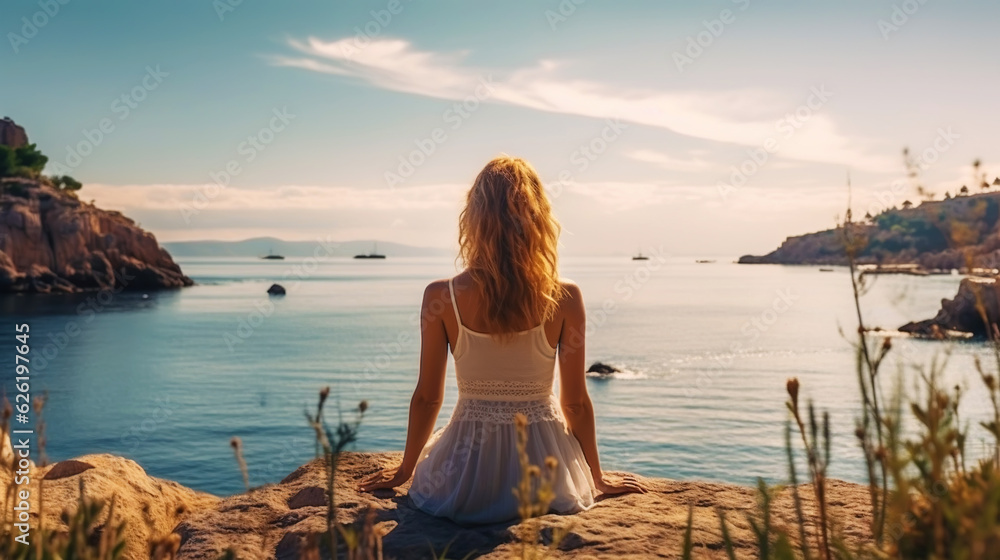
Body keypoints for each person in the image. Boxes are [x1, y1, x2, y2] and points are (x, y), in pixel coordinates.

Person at [361, 156, 646, 524]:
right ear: (538, 217)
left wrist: (406, 469)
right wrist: (596, 476)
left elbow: (428, 396)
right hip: (546, 471)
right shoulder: (566, 297)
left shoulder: (440, 296)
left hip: (462, 474)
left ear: (474, 219)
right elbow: (574, 402)